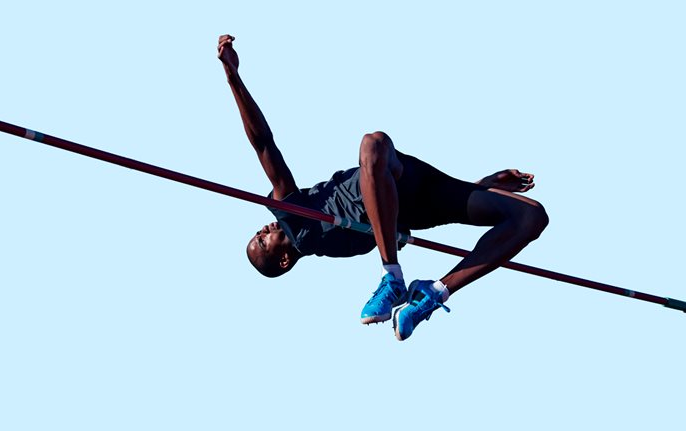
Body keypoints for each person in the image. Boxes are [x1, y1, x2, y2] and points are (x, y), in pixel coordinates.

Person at [218, 35, 549, 341]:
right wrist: (233, 77)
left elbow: (265, 145)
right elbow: (262, 143)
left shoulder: (292, 202)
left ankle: (409, 283)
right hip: (415, 208)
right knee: (531, 217)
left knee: (374, 147)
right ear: (284, 260)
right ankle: (430, 291)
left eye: (258, 232)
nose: (263, 228)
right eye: (262, 239)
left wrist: (234, 76)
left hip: (409, 176)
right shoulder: (295, 219)